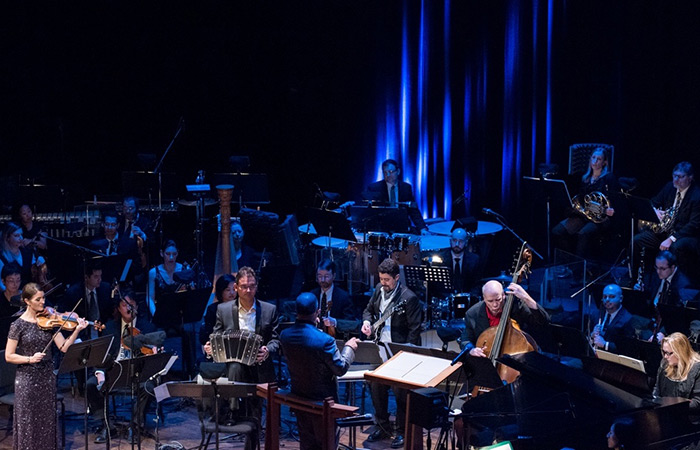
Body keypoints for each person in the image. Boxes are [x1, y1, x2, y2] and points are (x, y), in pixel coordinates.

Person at [5, 282, 88, 450]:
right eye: (38, 299)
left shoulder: (48, 320)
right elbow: (9, 356)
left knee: (46, 424)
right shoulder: (17, 325)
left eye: (43, 298)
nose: (43, 302)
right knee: (29, 425)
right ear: (27, 301)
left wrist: (77, 330)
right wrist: (30, 359)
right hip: (27, 380)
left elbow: (63, 347)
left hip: (47, 378)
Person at [280, 292, 359, 450]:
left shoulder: (285, 335)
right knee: (326, 444)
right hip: (323, 403)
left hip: (300, 399)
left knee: (307, 444)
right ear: (317, 312)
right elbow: (340, 368)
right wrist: (349, 348)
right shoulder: (324, 340)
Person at [203, 266, 280, 421]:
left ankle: (250, 418)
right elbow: (216, 335)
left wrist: (268, 350)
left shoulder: (269, 309)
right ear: (237, 288)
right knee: (235, 367)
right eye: (244, 287)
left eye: (252, 286)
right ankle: (235, 411)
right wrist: (210, 347)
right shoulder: (223, 310)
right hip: (234, 364)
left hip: (259, 364)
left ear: (256, 287)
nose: (248, 290)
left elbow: (276, 340)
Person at [361, 258, 422, 448]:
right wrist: (366, 322)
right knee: (376, 388)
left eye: (387, 279)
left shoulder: (409, 298)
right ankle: (383, 426)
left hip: (399, 351)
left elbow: (415, 330)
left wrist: (407, 356)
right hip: (380, 349)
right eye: (381, 278)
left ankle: (402, 431)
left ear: (397, 277)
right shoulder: (379, 290)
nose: (383, 283)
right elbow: (368, 311)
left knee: (401, 393)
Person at [87, 291, 161, 443]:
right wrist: (100, 374)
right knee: (91, 385)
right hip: (114, 371)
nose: (128, 308)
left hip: (137, 373)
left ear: (137, 307)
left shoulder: (148, 327)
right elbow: (102, 355)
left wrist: (154, 352)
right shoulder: (109, 327)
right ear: (119, 309)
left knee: (148, 386)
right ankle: (107, 425)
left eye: (132, 305)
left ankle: (135, 425)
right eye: (124, 305)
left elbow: (157, 352)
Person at [552, 148, 619, 258]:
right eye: (593, 157)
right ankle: (570, 260)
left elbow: (615, 200)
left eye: (599, 159)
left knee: (583, 234)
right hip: (584, 215)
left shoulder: (609, 178)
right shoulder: (585, 178)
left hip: (600, 219)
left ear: (604, 162)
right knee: (557, 231)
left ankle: (579, 267)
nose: (595, 161)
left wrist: (610, 209)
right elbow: (581, 199)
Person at [634, 161, 700, 274]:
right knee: (638, 240)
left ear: (690, 178)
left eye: (680, 177)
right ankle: (636, 278)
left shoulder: (696, 195)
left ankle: (671, 284)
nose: (675, 180)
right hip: (665, 233)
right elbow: (653, 202)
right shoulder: (670, 187)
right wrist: (655, 211)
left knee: (676, 247)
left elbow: (693, 225)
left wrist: (671, 239)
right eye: (674, 176)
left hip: (683, 236)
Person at [462, 280, 550, 358]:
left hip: (517, 356)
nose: (495, 305)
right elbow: (466, 340)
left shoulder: (515, 305)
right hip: (488, 360)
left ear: (503, 295)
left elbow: (543, 320)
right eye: (490, 301)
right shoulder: (472, 313)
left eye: (498, 299)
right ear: (484, 298)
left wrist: (526, 297)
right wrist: (472, 350)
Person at [362, 159, 427, 233]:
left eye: (391, 172)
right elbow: (369, 211)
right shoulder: (374, 188)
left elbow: (413, 210)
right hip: (381, 228)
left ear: (398, 171)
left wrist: (422, 228)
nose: (388, 175)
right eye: (385, 172)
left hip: (402, 228)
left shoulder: (406, 188)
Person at [198, 274, 236, 379]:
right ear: (221, 291)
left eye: (234, 289)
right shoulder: (213, 309)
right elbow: (208, 333)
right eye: (228, 290)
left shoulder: (241, 307)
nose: (232, 293)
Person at [654, 332, 700, 414]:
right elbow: (657, 391)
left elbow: (697, 402)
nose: (665, 357)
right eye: (664, 352)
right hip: (665, 412)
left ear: (681, 353)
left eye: (668, 353)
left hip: (687, 417)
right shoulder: (665, 363)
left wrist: (671, 405)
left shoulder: (697, 369)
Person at [310, 259, 356, 336]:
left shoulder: (344, 297)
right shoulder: (312, 295)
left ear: (334, 276)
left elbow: (350, 322)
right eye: (320, 276)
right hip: (314, 336)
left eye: (326, 276)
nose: (323, 280)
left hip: (336, 337)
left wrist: (335, 322)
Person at [590, 284, 635, 353]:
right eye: (605, 297)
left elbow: (628, 348)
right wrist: (592, 335)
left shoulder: (627, 319)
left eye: (611, 297)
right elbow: (586, 338)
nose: (607, 300)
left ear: (621, 299)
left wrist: (605, 345)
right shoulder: (597, 313)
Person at [146, 239, 184, 317]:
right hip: (160, 312)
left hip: (180, 313)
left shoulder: (184, 270)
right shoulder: (153, 272)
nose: (171, 257)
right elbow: (149, 298)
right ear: (161, 253)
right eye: (167, 254)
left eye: (174, 254)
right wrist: (156, 315)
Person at [440, 228, 480, 294]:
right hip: (445, 298)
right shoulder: (441, 258)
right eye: (454, 240)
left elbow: (477, 284)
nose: (457, 244)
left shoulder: (474, 259)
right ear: (450, 241)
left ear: (466, 243)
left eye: (460, 241)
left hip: (467, 297)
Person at [0, 222, 35, 291]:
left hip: (29, 292)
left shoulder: (27, 252)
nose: (21, 238)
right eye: (16, 235)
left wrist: (39, 262)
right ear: (7, 238)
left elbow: (34, 272)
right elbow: (1, 284)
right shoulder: (2, 257)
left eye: (21, 235)